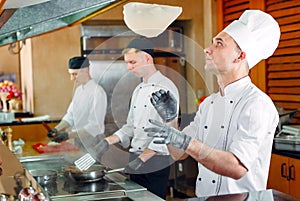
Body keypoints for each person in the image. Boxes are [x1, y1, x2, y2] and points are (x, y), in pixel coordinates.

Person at [145, 10, 281, 197]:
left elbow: (237, 167)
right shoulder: (209, 104)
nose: (207, 49)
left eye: (219, 44)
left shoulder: (257, 104)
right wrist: (170, 122)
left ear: (240, 56)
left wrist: (186, 141)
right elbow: (179, 154)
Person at [94, 38, 179, 199]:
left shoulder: (166, 87)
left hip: (155, 161)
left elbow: (166, 131)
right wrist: (108, 141)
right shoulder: (139, 89)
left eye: (133, 62)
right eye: (127, 63)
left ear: (147, 58)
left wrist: (141, 159)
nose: (129, 67)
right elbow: (130, 126)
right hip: (136, 157)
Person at [48, 56, 107, 151]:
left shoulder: (98, 92)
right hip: (78, 140)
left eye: (75, 74)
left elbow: (95, 126)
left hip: (93, 143)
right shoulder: (79, 90)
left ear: (86, 71)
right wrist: (57, 129)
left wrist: (68, 135)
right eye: (71, 74)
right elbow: (70, 116)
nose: (72, 78)